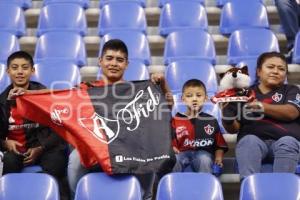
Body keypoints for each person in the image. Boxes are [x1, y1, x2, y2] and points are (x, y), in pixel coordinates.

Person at [67, 39, 174, 200]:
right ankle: (78, 197)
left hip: (129, 148)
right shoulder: (86, 89)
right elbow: (59, 104)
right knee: (75, 158)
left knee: (150, 152)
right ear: (100, 61)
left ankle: (145, 197)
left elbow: (165, 110)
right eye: (109, 58)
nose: (114, 63)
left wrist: (163, 85)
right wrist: (27, 95)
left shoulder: (136, 90)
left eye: (119, 60)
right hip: (96, 148)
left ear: (126, 64)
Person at [221, 51, 300, 179]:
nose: (275, 71)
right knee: (248, 141)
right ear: (258, 71)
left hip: (285, 142)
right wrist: (227, 117)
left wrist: (261, 107)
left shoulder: (292, 90)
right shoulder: (244, 94)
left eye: (281, 69)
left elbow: (291, 112)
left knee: (288, 142)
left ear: (285, 74)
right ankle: (251, 191)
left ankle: (283, 191)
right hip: (254, 143)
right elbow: (233, 129)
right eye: (270, 67)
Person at [0, 51, 67, 178]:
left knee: (57, 161)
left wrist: (40, 147)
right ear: (8, 71)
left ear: (33, 70)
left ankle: (44, 190)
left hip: (43, 148)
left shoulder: (46, 96)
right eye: (15, 68)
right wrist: (5, 143)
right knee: (8, 162)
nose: (20, 72)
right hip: (14, 152)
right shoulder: (2, 101)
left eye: (25, 68)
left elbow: (60, 129)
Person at [172, 79, 228, 173]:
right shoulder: (176, 120)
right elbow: (171, 142)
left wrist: (218, 158)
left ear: (205, 98)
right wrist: (173, 148)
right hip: (182, 154)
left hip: (203, 154)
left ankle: (205, 187)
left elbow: (220, 145)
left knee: (204, 159)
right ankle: (174, 187)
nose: (194, 99)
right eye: (189, 96)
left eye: (198, 95)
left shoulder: (211, 120)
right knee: (174, 160)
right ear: (183, 99)